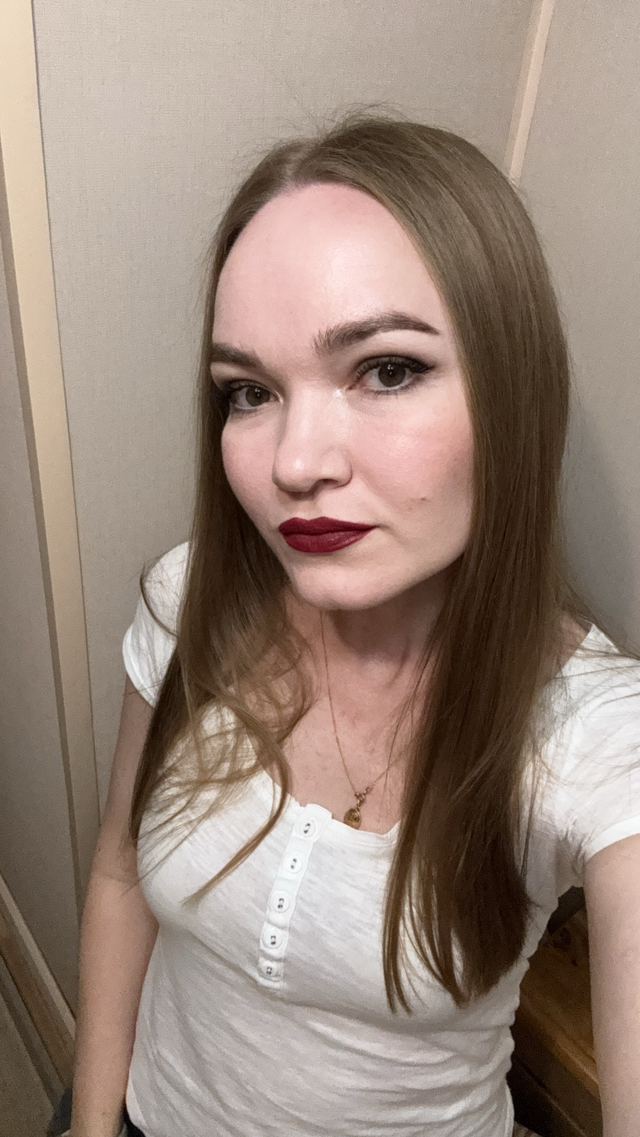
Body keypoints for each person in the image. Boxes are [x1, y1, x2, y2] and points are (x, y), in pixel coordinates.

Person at [69, 115, 640, 1137]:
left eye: (386, 369)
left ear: (514, 389)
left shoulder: (595, 738)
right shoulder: (188, 600)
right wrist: (92, 1123)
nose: (294, 463)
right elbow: (119, 870)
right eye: (249, 392)